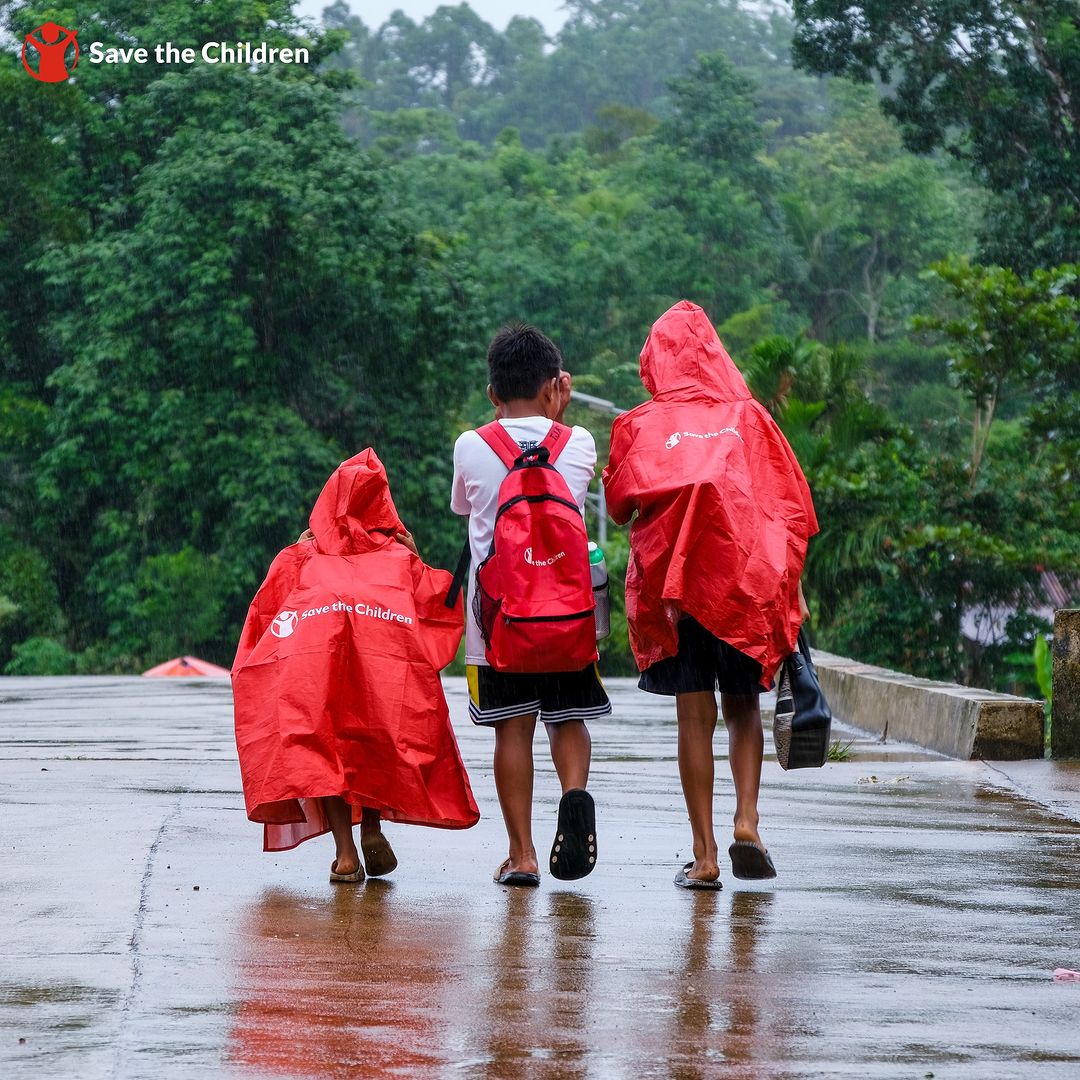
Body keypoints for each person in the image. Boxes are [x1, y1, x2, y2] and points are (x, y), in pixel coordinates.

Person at [603, 301, 818, 888]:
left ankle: (703, 857)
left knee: (693, 717)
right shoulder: (752, 419)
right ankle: (746, 821)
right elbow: (793, 507)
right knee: (743, 707)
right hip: (743, 588)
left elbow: (620, 505)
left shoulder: (639, 424)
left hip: (677, 597)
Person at [233, 448, 480, 883]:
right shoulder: (399, 559)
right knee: (371, 744)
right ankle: (371, 827)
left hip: (315, 680)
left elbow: (264, 621)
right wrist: (417, 556)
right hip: (381, 682)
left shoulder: (301, 557)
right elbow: (438, 613)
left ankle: (346, 855)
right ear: (381, 503)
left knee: (325, 753)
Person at [451, 323, 611, 887]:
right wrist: (558, 417)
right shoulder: (581, 442)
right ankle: (574, 795)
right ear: (556, 385)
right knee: (567, 720)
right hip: (568, 616)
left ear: (493, 392)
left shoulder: (471, 446)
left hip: (499, 623)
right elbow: (562, 476)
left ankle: (521, 856)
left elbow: (462, 509)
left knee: (510, 731)